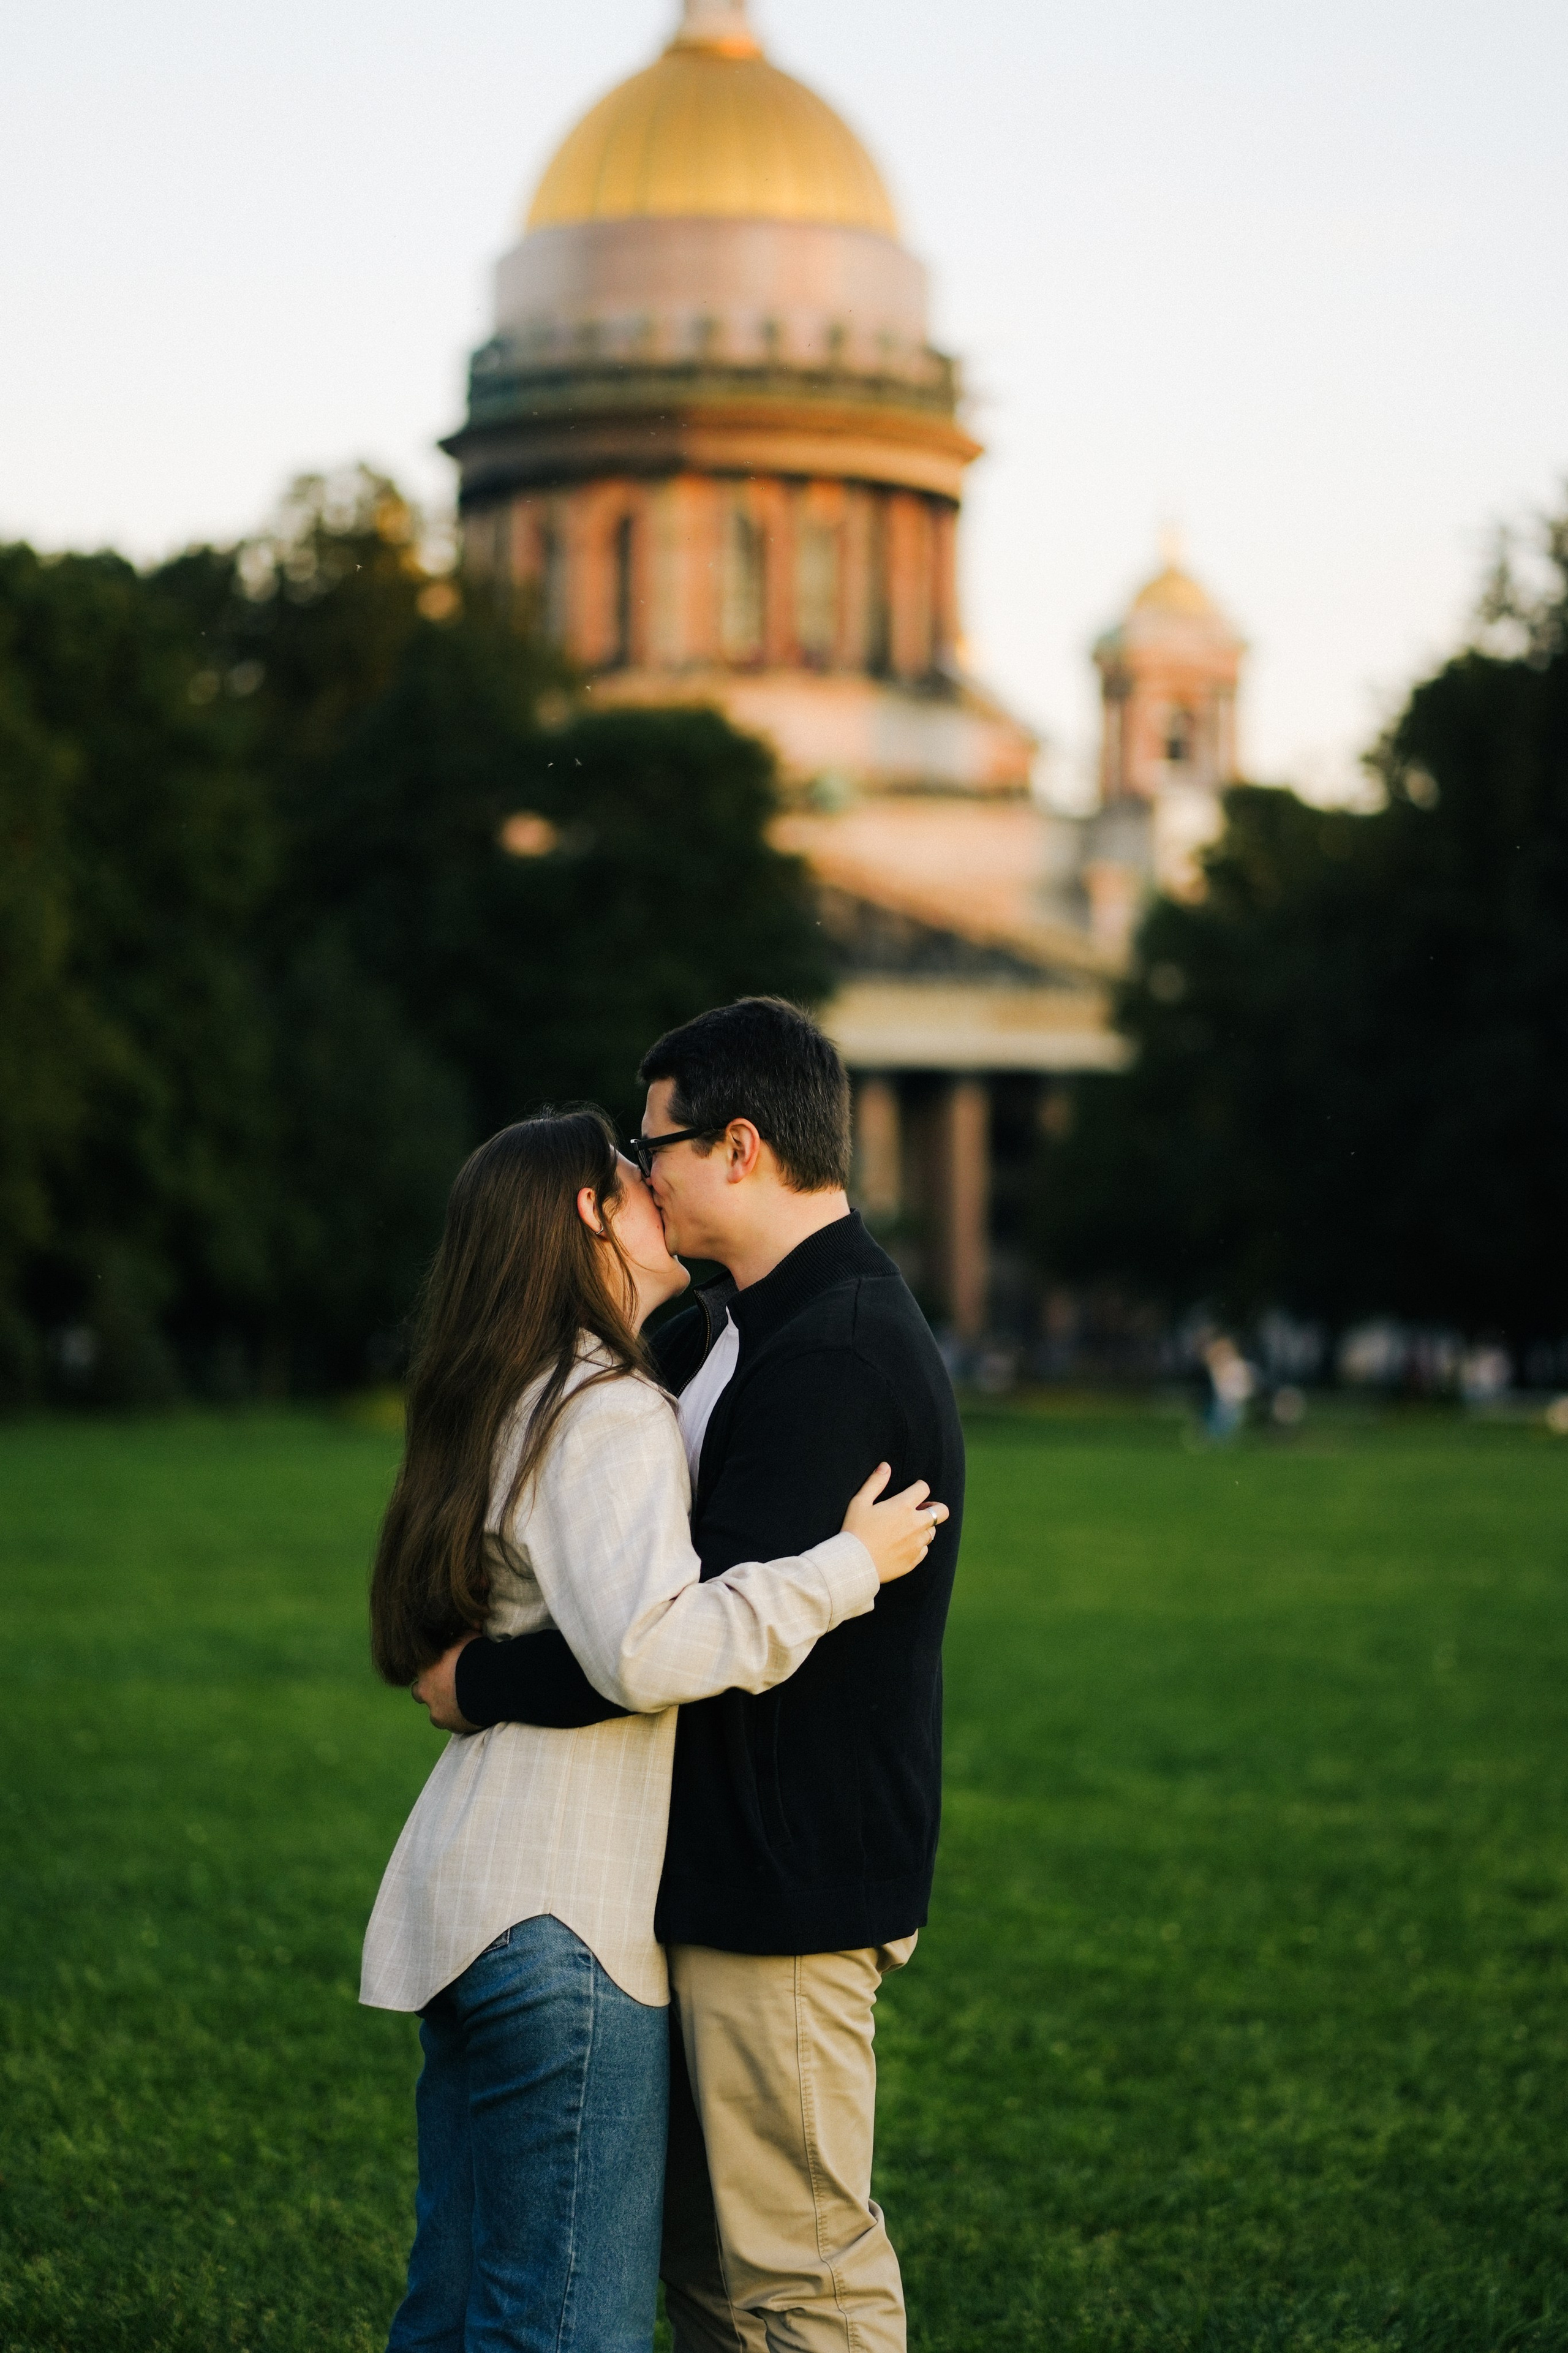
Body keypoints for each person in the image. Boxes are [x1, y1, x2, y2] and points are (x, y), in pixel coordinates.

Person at [419, 1000, 967, 2353]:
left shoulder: (830, 1347)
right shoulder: (732, 1324)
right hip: (704, 1877)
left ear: (736, 1145)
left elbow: (672, 1646)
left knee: (800, 2275)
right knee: (717, 2282)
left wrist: (478, 1682)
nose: (636, 1170)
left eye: (652, 1142)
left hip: (787, 1883)